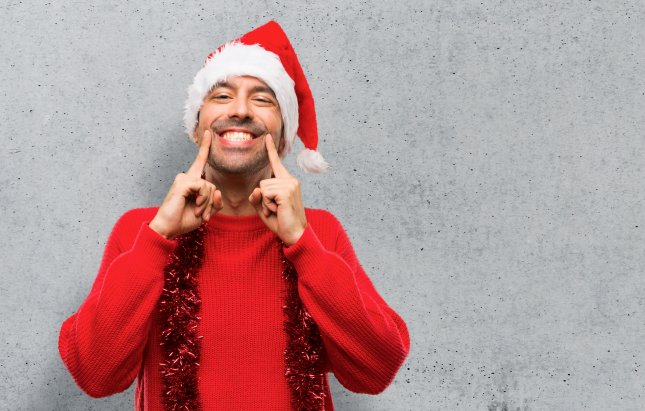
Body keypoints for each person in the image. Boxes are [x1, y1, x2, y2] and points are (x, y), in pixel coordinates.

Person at [58, 21, 410, 411]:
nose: (240, 111)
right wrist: (158, 236)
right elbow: (95, 375)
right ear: (196, 128)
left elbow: (376, 370)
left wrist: (304, 245)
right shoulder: (140, 231)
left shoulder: (320, 233)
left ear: (282, 136)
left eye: (262, 99)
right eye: (222, 95)